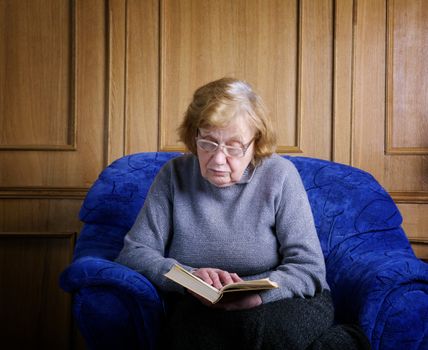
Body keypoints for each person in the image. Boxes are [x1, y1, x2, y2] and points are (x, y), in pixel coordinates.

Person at [115, 77, 370, 349]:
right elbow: (134, 252)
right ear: (194, 136)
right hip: (202, 304)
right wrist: (188, 278)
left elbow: (309, 269)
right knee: (187, 334)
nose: (218, 159)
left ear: (256, 142)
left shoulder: (280, 176)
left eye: (234, 146)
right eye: (208, 143)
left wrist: (258, 296)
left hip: (285, 299)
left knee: (260, 332)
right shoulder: (173, 176)